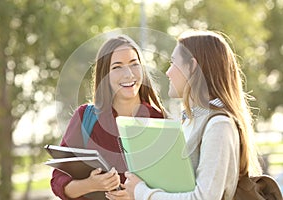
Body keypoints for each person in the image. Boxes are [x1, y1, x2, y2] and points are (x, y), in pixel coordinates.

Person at [110, 30, 263, 200]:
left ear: (192, 66)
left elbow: (204, 198)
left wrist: (142, 192)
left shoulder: (219, 125)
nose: (167, 72)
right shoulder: (190, 121)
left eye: (173, 62)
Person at [50, 35, 165, 200]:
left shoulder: (160, 121)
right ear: (105, 75)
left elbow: (173, 188)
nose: (128, 74)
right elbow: (58, 181)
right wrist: (90, 184)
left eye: (134, 64)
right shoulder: (85, 118)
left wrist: (138, 195)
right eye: (117, 67)